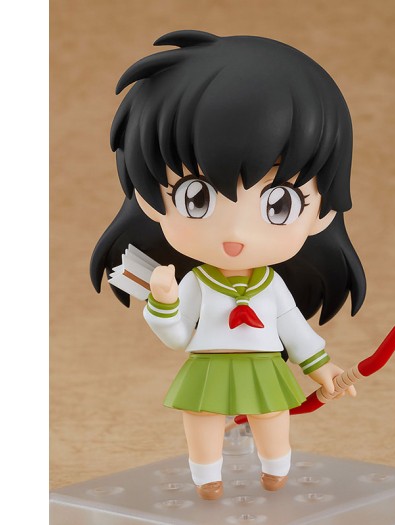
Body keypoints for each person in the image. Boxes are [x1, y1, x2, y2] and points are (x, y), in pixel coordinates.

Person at [90, 30, 366, 500]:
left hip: (264, 367)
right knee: (201, 418)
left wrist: (321, 367)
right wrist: (164, 301)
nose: (236, 233)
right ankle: (206, 477)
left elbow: (293, 329)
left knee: (271, 416)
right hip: (208, 366)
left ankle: (276, 469)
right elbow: (179, 337)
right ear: (151, 200)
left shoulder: (272, 287)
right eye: (195, 197)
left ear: (322, 212)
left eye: (278, 203)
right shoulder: (197, 282)